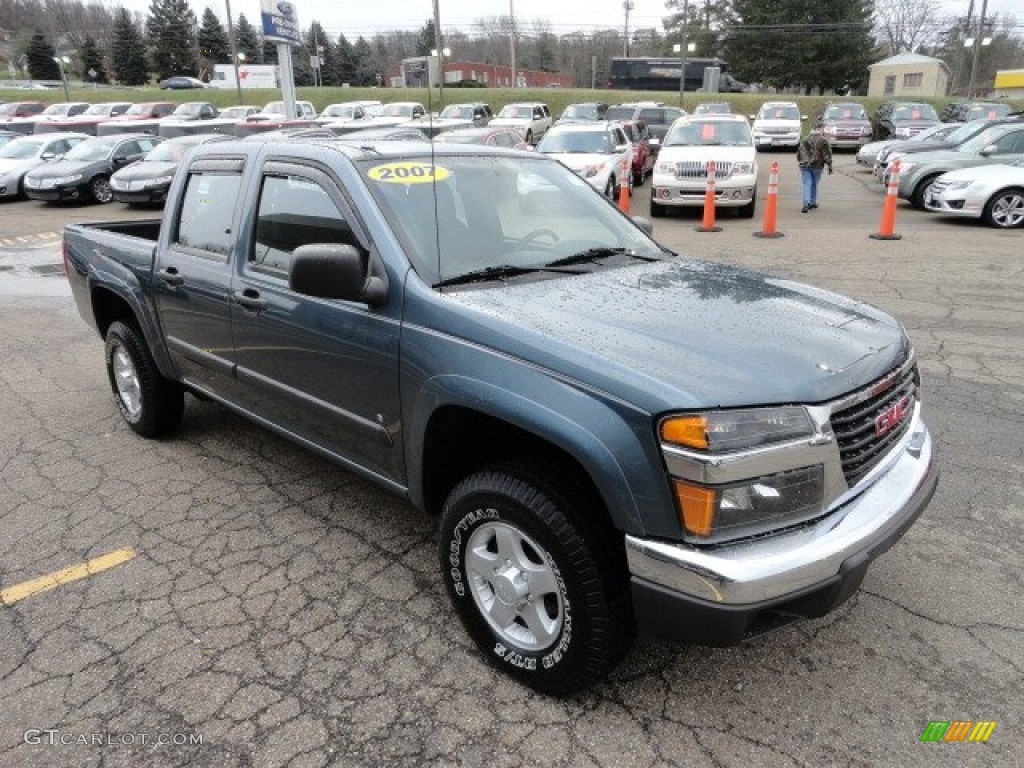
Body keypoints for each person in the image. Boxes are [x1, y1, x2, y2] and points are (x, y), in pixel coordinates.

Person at [797, 127, 833, 213]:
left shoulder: (805, 139)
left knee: (807, 183)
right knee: (814, 183)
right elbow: (826, 155)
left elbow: (799, 153)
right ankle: (812, 202)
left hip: (804, 165)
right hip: (817, 166)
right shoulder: (823, 140)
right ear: (821, 131)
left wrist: (801, 161)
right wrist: (829, 165)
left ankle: (806, 203)